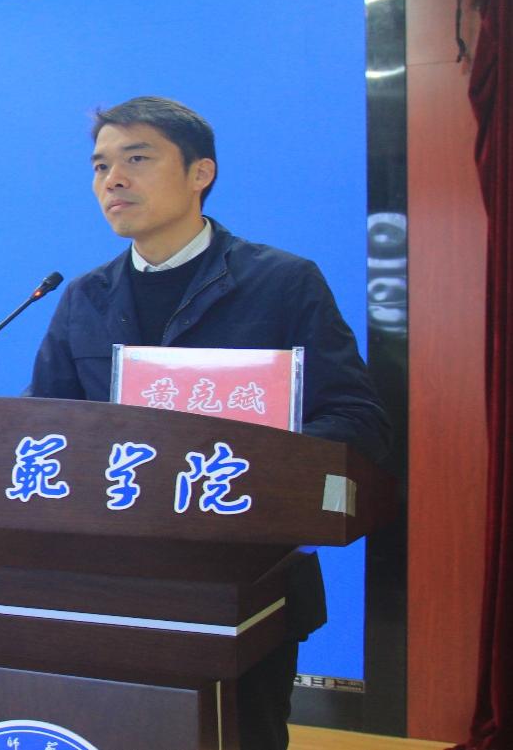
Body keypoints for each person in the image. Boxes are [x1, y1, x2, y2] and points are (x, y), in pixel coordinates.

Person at [27, 96, 391, 750]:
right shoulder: (85, 296)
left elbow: (356, 418)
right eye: (101, 165)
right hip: (110, 582)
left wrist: (248, 463)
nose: (113, 180)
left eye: (138, 159)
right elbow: (44, 427)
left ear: (201, 173)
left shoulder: (282, 283)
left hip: (243, 582)